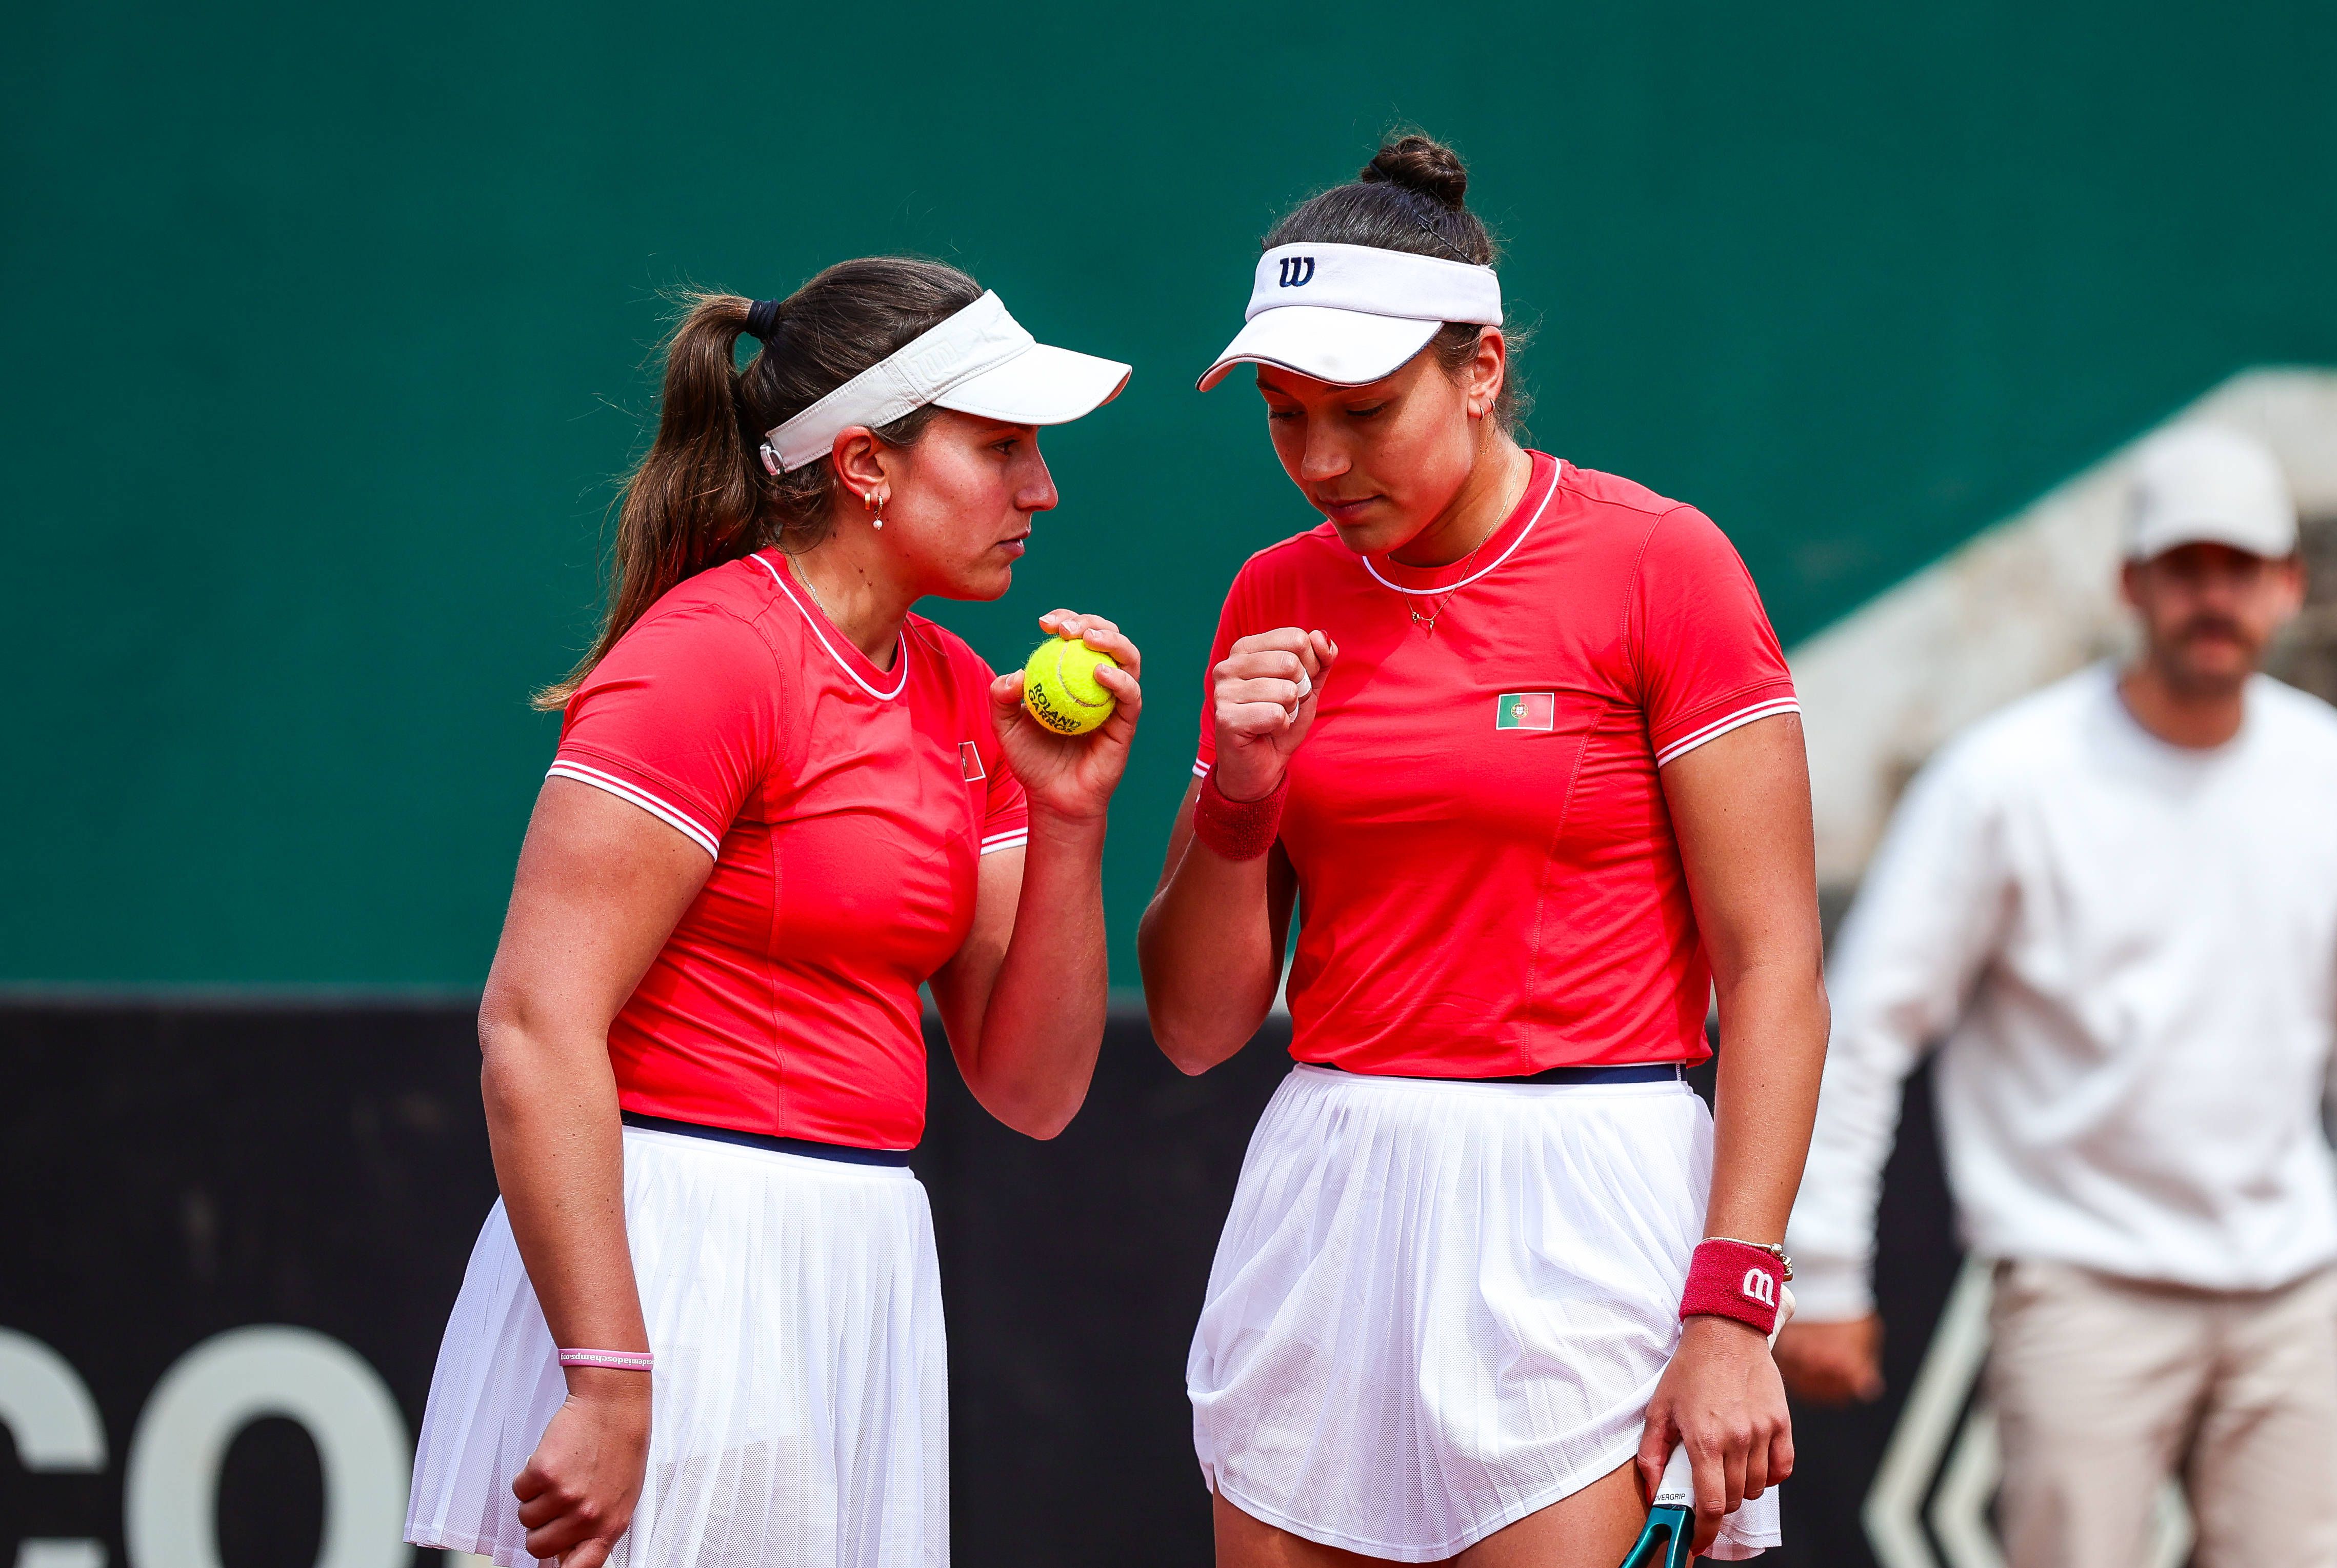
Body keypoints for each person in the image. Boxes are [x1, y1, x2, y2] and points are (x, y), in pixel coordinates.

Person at [1137, 136, 1830, 1566]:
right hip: (1324, 1188)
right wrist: (1238, 796)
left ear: (1480, 369)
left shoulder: (1662, 565)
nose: (1320, 463)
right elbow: (1201, 1025)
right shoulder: (1270, 592)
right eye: (1282, 415)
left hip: (1586, 1206)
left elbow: (1773, 971)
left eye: (1364, 412)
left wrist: (1730, 1307)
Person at [404, 258, 1141, 1568]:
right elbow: (531, 1023)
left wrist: (1072, 817)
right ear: (864, 464)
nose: (1043, 489)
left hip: (860, 1267)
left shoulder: (969, 698)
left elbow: (1029, 1086)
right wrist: (610, 1372)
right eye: (1002, 447)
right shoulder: (712, 656)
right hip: (678, 1266)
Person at [1776, 425, 2337, 1567]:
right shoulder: (2005, 777)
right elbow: (1862, 1025)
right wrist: (1825, 1270)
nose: (2212, 597)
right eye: (2183, 568)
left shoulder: (2331, 770)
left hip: (2290, 1290)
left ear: (2287, 587)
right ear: (2130, 582)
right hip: (2079, 1287)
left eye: (2239, 569)